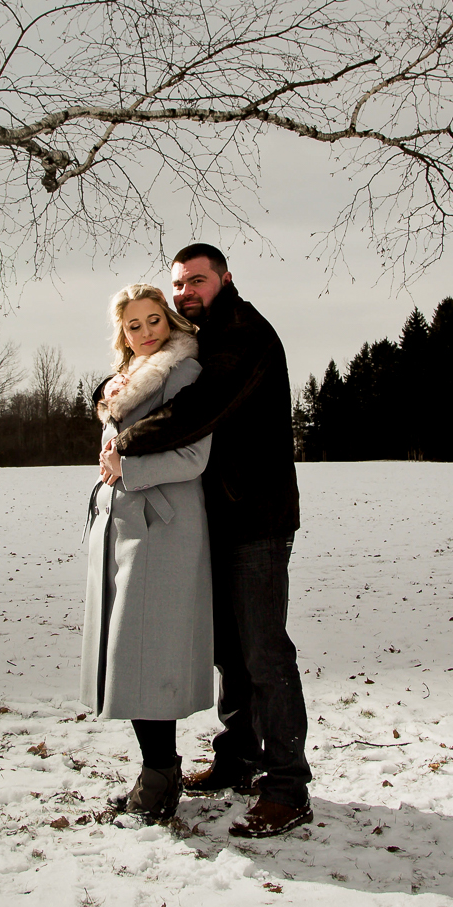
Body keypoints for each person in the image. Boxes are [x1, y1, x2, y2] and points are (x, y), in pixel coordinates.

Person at [103, 242, 309, 838]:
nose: (186, 291)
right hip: (215, 517)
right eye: (180, 284)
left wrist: (126, 442)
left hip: (258, 518)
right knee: (232, 654)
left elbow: (196, 409)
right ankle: (238, 759)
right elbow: (140, 372)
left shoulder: (243, 334)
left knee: (266, 653)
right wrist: (108, 398)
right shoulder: (198, 335)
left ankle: (287, 787)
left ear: (224, 278)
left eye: (197, 280)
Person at [81, 282, 215, 825]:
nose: (144, 333)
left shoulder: (183, 373)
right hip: (123, 526)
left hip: (163, 527)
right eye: (133, 325)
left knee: (146, 654)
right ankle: (155, 771)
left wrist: (127, 470)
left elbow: (193, 454)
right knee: (129, 655)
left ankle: (160, 779)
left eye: (154, 321)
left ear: (170, 321)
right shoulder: (124, 382)